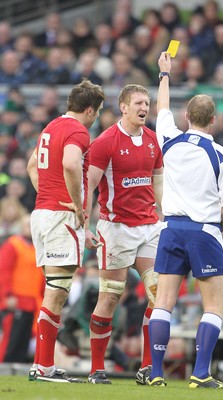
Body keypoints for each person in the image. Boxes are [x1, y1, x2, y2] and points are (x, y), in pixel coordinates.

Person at [148, 52, 223, 389]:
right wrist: (218, 230)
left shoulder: (168, 139)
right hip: (205, 232)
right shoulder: (222, 156)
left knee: (163, 303)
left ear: (186, 117)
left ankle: (156, 372)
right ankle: (200, 373)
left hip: (170, 229)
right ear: (213, 121)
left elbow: (161, 109)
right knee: (214, 305)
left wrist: (165, 74)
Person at [26, 79, 105, 383]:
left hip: (43, 212)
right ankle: (43, 367)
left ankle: (42, 364)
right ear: (88, 109)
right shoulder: (77, 131)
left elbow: (33, 165)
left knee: (54, 289)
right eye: (96, 112)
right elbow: (72, 164)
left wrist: (47, 194)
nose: (96, 117)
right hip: (59, 216)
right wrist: (77, 205)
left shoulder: (51, 127)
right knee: (57, 291)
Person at [84, 84, 163, 384]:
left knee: (159, 293)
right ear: (124, 107)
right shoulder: (105, 142)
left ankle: (147, 368)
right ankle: (96, 368)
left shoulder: (154, 141)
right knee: (110, 298)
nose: (145, 107)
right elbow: (89, 186)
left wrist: (164, 216)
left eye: (148, 102)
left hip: (149, 227)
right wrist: (84, 224)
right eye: (139, 103)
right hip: (116, 229)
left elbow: (158, 181)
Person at [0, 213, 45, 363]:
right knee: (11, 340)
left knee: (23, 341)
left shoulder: (36, 247)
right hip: (16, 301)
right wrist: (7, 296)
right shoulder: (12, 245)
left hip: (31, 303)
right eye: (27, 224)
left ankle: (15, 372)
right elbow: (3, 271)